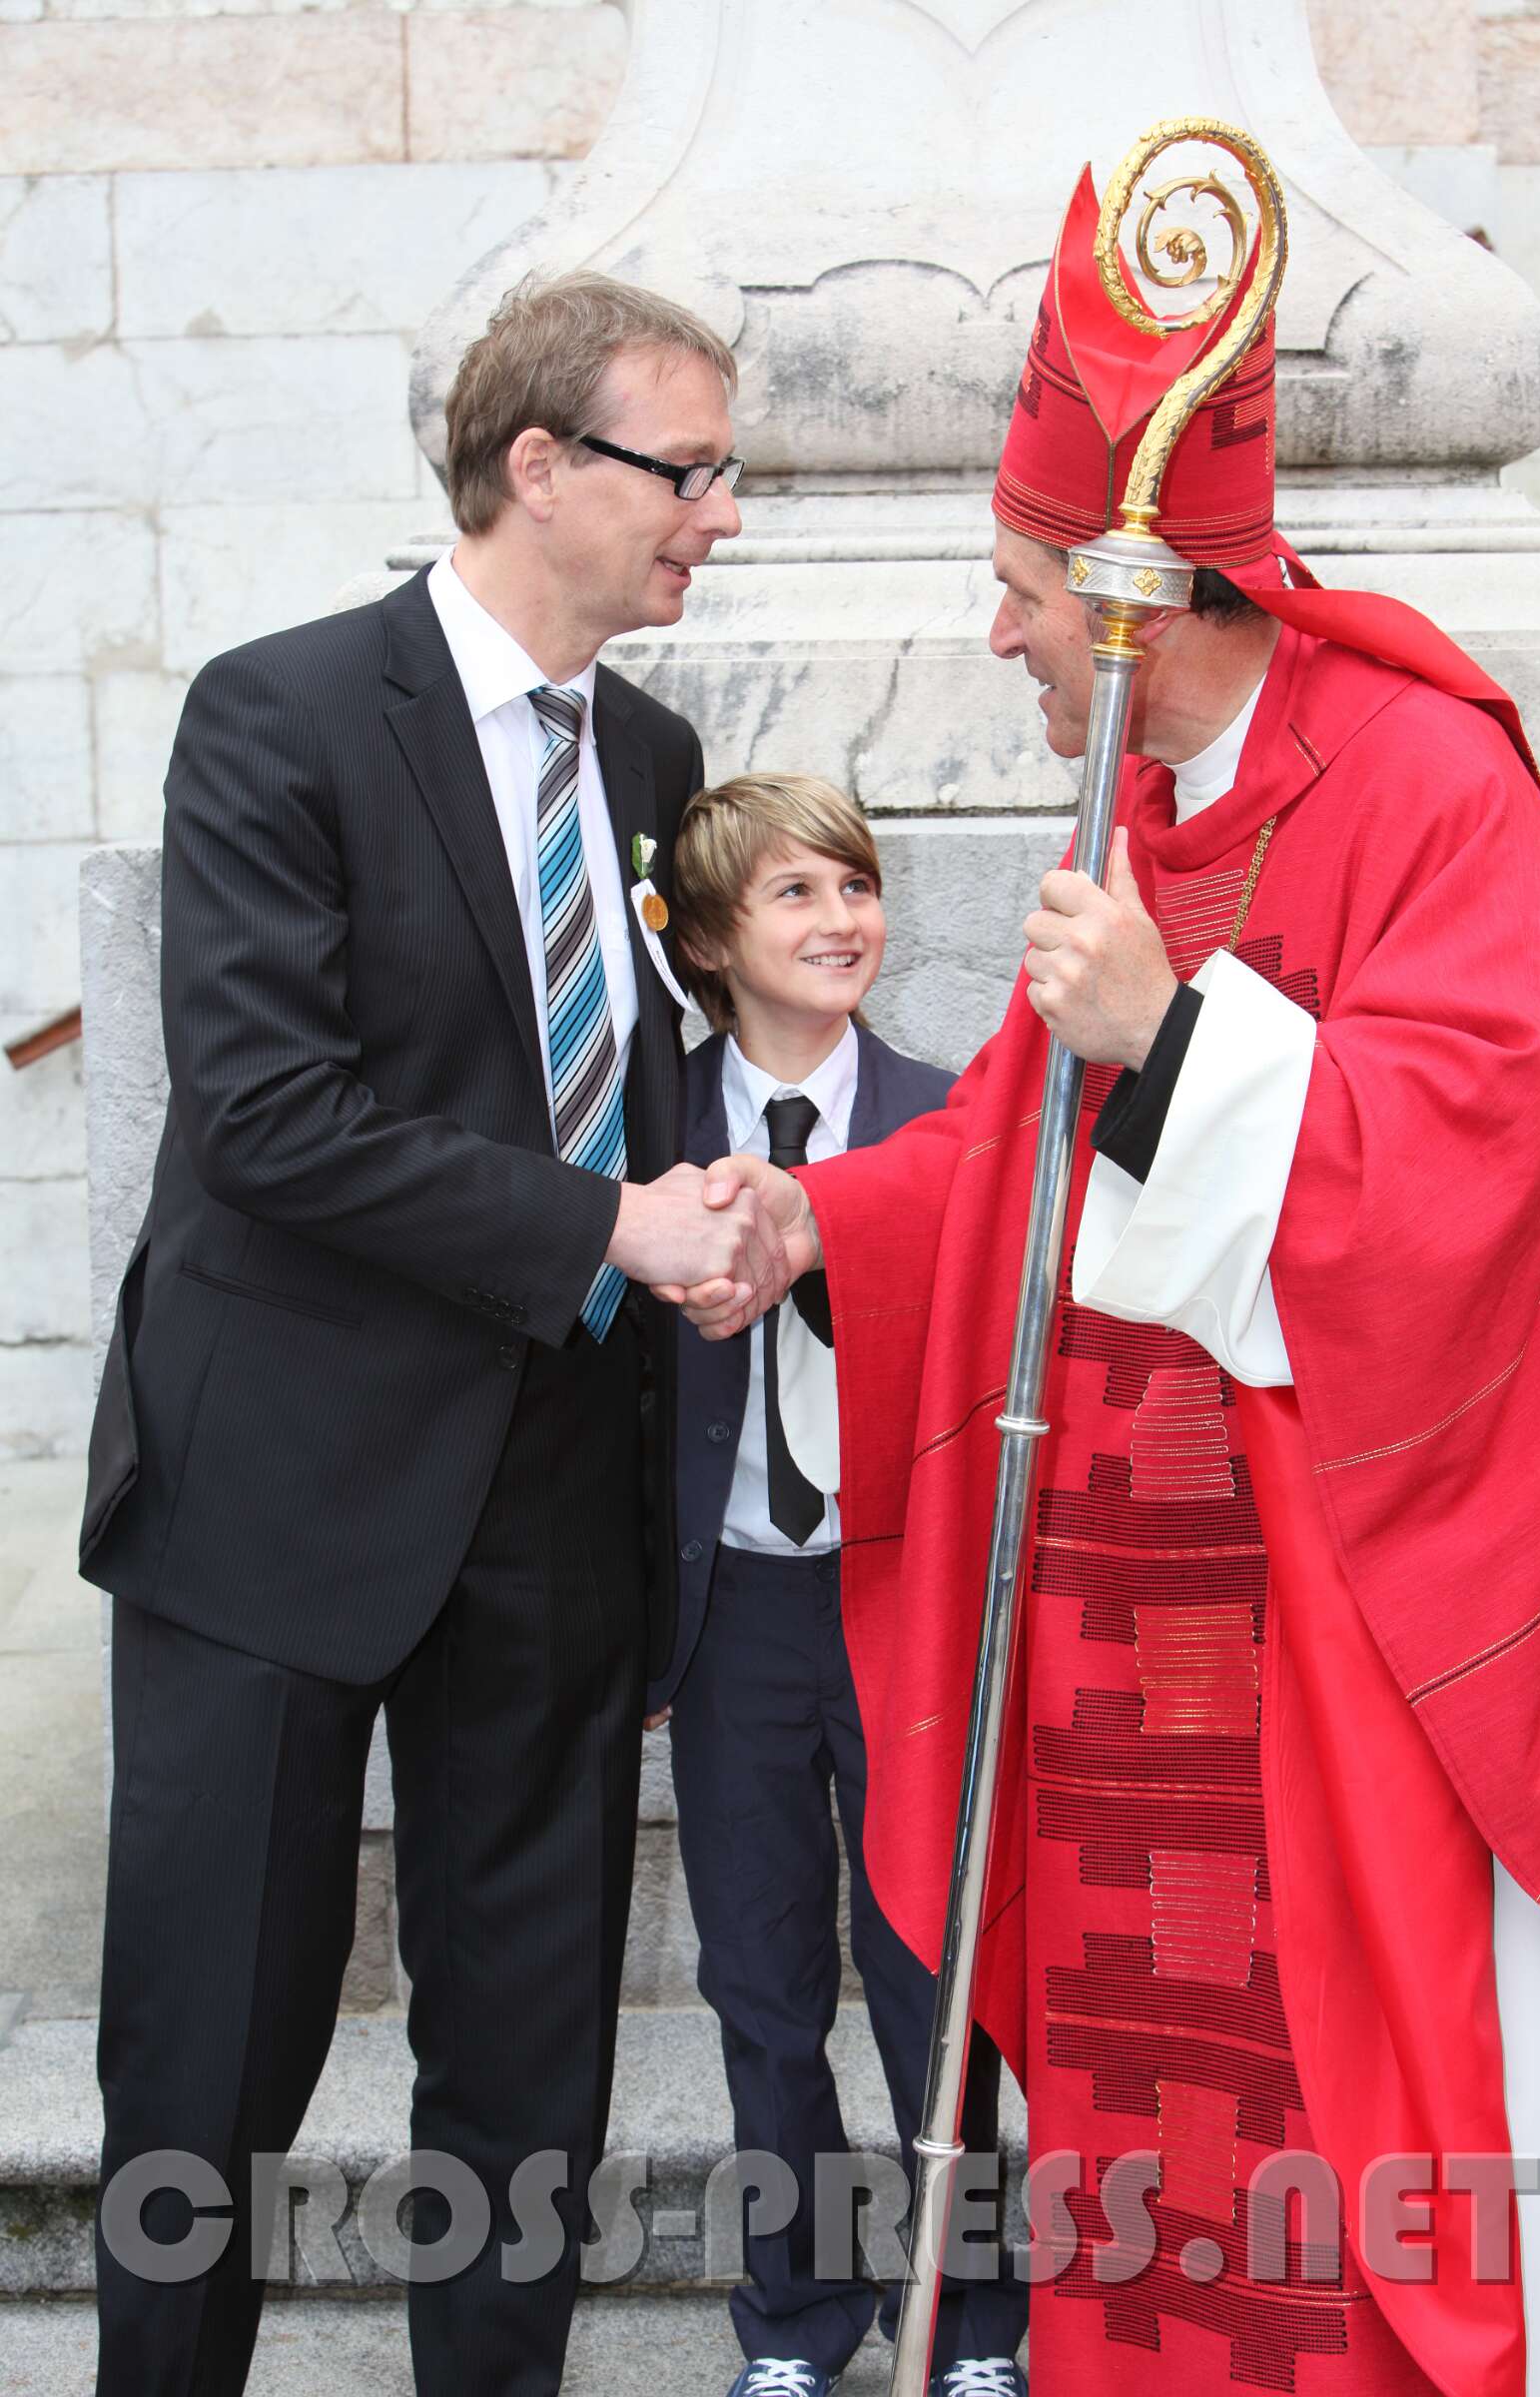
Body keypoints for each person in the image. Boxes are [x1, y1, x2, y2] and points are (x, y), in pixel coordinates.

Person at [679, 163, 1540, 2396]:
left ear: (1132, 607)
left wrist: (1174, 1042)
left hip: (1319, 1642)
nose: (997, 642)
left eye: (1018, 598)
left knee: (1328, 2144)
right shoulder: (1145, 810)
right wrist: (811, 1224)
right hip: (1113, 1655)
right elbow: (998, 1156)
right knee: (1137, 2148)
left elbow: (1494, 1148)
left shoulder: (1418, 778)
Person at [77, 269, 785, 2397]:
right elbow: (269, 1116)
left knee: (529, 2079)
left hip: (555, 1503)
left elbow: (633, 1089)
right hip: (274, 1501)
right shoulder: (279, 714)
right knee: (204, 2072)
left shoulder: (652, 757)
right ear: (539, 465)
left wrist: (725, 1218)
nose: (722, 516)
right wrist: (607, 1222)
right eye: (692, 471)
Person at [655, 772, 1030, 2397]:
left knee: (938, 1989)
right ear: (711, 941)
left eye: (856, 885)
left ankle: (973, 2329)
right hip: (735, 1613)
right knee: (760, 1984)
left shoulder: (950, 1117)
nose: (840, 919)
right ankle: (796, 2323)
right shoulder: (645, 1131)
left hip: (903, 1612)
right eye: (796, 893)